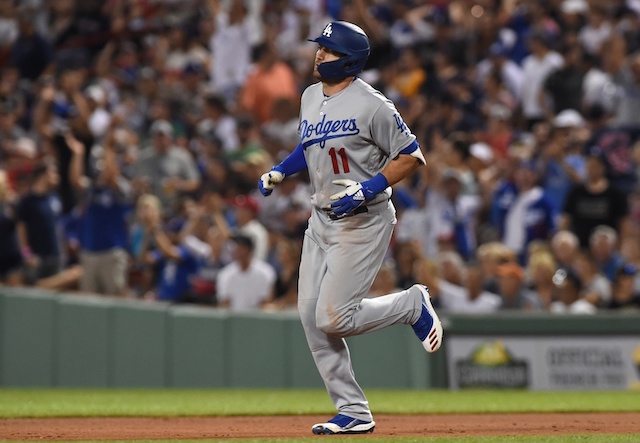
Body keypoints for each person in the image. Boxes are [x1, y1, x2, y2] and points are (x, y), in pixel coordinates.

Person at [257, 21, 442, 435]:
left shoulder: (373, 104)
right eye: (320, 48)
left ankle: (411, 305)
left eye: (329, 50)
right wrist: (280, 171)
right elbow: (310, 146)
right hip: (320, 218)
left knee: (334, 318)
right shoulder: (309, 96)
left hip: (363, 220)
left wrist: (368, 188)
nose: (319, 54)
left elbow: (412, 156)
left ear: (352, 60)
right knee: (309, 315)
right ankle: (353, 412)